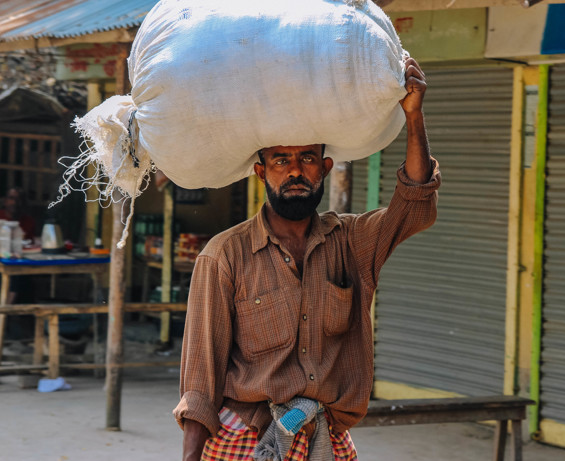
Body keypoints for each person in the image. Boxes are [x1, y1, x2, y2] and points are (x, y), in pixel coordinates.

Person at [174, 58, 440, 461]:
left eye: (308, 159)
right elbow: (200, 376)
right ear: (261, 172)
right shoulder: (224, 256)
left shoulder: (351, 242)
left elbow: (415, 206)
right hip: (247, 434)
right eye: (282, 160)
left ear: (325, 168)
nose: (295, 171)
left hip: (324, 436)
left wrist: (414, 115)